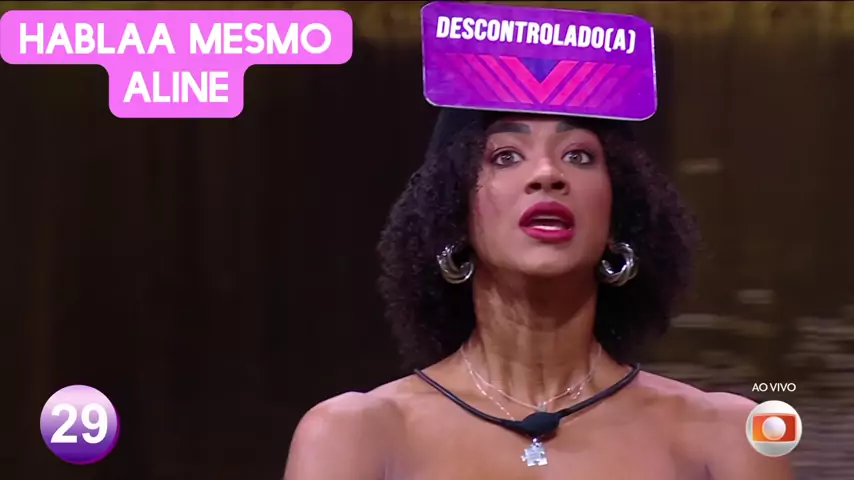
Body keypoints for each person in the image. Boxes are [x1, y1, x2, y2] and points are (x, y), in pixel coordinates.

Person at [283, 109, 794, 479]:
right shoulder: (353, 436)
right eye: (506, 156)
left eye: (579, 155)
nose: (548, 174)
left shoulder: (730, 437)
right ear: (453, 215)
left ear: (620, 217)